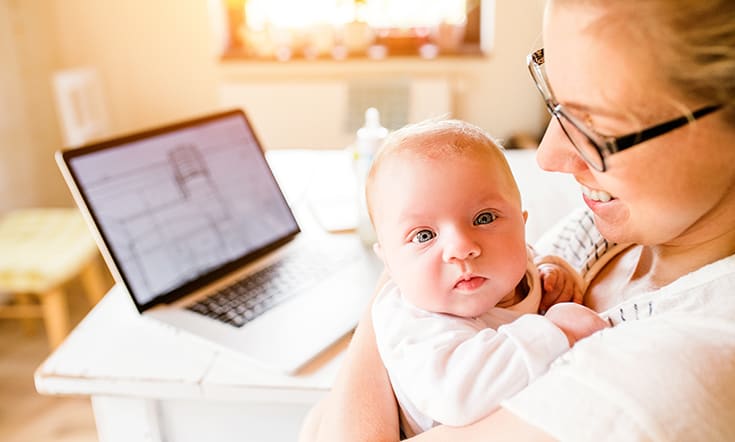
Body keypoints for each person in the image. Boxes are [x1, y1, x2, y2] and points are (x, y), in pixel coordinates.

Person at [300, 0, 735, 440]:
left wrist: (395, 280)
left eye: (600, 127)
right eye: (554, 101)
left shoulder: (672, 373)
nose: (548, 156)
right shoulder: (621, 228)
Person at [365, 119, 608, 437]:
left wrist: (549, 272)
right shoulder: (414, 321)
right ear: (389, 263)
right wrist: (557, 330)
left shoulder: (506, 270)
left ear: (522, 225)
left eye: (484, 218)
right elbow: (458, 396)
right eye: (424, 235)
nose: (461, 248)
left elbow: (527, 260)